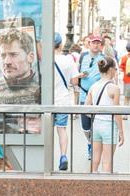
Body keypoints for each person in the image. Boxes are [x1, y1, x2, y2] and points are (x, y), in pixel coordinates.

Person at [85, 57, 125, 173]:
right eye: (116, 69)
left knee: (95, 160)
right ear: (111, 69)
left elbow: (86, 107)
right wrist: (121, 132)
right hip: (109, 126)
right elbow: (116, 112)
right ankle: (105, 188)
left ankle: (92, 184)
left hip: (96, 125)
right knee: (107, 162)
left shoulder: (93, 87)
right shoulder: (114, 88)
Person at [0, 27, 40, 105]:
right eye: (3, 55)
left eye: (13, 55)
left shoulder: (42, 87)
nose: (6, 62)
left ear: (30, 57)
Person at [77, 34, 106, 160]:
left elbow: (108, 76)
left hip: (98, 98)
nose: (95, 45)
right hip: (84, 96)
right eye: (93, 43)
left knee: (97, 125)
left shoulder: (104, 59)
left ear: (101, 46)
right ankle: (90, 142)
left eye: (98, 43)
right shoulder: (83, 57)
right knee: (85, 126)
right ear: (89, 44)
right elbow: (74, 73)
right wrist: (80, 75)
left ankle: (94, 148)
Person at [53, 32, 79, 171]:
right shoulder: (68, 60)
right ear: (61, 45)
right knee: (61, 129)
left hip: (47, 102)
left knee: (45, 130)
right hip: (63, 100)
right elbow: (74, 81)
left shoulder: (43, 60)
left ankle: (44, 158)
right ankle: (63, 156)